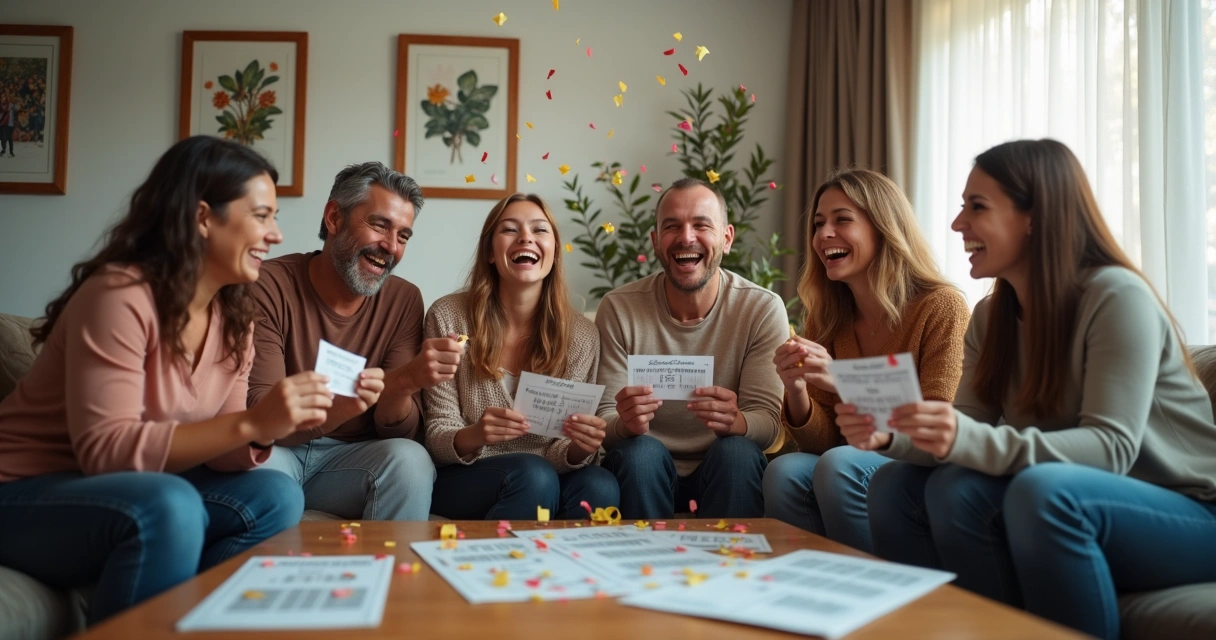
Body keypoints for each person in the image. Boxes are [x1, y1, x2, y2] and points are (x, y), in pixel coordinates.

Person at [857, 139, 1216, 640]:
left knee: (1041, 493)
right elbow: (969, 426)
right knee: (895, 486)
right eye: (962, 207)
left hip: (1189, 511)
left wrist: (961, 437)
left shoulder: (1116, 297)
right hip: (1079, 495)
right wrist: (890, 437)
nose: (958, 224)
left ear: (1035, 217)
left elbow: (1111, 448)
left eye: (976, 207)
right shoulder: (991, 316)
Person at [0, 136, 325, 624]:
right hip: (26, 491)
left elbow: (224, 445)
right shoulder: (120, 294)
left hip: (132, 492)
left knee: (277, 494)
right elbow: (106, 451)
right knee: (170, 506)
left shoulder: (235, 315)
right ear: (202, 218)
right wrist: (250, 421)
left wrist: (268, 424)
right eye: (261, 216)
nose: (276, 234)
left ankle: (197, 620)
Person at [763, 168, 968, 552]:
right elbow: (822, 442)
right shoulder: (827, 316)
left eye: (843, 220)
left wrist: (842, 378)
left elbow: (937, 424)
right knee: (784, 471)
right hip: (848, 457)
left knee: (842, 465)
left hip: (921, 459)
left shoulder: (941, 307)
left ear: (883, 228)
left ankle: (875, 592)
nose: (823, 235)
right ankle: (806, 590)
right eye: (819, 223)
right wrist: (796, 388)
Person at [250, 162, 456, 521]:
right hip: (277, 448)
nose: (390, 246)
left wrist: (403, 384)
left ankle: (394, 576)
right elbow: (263, 412)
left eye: (404, 236)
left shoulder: (403, 300)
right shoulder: (268, 285)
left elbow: (398, 431)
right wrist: (354, 400)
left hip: (350, 460)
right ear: (333, 218)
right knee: (258, 472)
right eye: (379, 225)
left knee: (411, 461)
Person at [597, 177, 788, 519]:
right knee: (639, 453)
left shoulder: (761, 308)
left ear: (726, 238)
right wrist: (625, 424)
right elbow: (605, 424)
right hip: (645, 466)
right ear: (656, 241)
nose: (686, 237)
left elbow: (770, 423)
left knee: (738, 454)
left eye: (701, 225)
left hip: (723, 467)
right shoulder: (619, 308)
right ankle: (643, 566)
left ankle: (731, 566)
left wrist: (740, 421)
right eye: (672, 227)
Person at [423, 193, 619, 519]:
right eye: (510, 229)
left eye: (540, 230)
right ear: (489, 251)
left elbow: (559, 448)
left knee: (601, 485)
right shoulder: (448, 317)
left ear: (554, 252)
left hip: (543, 472)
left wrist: (579, 448)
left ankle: (566, 570)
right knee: (534, 475)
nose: (526, 237)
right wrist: (476, 434)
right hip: (465, 476)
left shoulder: (582, 336)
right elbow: (437, 436)